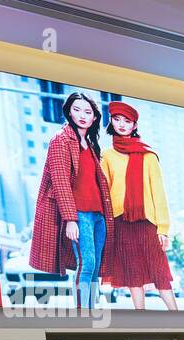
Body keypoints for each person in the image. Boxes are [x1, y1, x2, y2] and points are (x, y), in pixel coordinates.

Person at [29, 92, 113, 312]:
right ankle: (82, 315)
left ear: (95, 117)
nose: (82, 115)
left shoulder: (91, 144)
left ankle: (91, 311)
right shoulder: (61, 139)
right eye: (77, 110)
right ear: (68, 112)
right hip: (79, 213)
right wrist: (70, 219)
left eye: (88, 112)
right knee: (86, 265)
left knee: (95, 269)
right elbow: (59, 181)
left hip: (98, 214)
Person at [100, 101, 177, 310]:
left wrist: (163, 229)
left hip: (146, 222)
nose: (122, 125)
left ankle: (177, 315)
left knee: (159, 271)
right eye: (117, 120)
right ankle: (140, 316)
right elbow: (104, 190)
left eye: (127, 121)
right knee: (133, 273)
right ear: (111, 122)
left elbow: (158, 194)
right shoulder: (106, 155)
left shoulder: (148, 155)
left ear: (134, 125)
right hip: (120, 221)